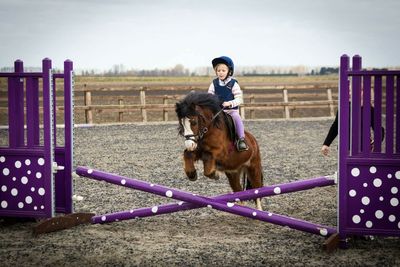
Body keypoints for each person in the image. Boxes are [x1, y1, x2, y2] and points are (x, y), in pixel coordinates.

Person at [208, 56, 248, 151]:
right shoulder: (214, 83)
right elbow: (209, 96)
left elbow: (239, 99)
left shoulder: (233, 84)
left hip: (230, 111)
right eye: (218, 71)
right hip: (217, 111)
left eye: (223, 70)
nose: (220, 73)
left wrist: (230, 103)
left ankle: (241, 139)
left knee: (236, 118)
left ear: (229, 71)